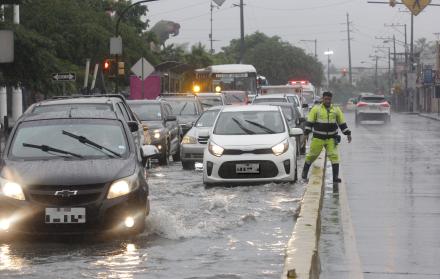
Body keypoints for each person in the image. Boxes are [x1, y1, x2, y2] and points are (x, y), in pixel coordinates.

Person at [301, 91, 352, 183]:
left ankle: (335, 178)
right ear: (322, 99)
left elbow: (342, 123)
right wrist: (306, 134)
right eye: (326, 99)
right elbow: (309, 123)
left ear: (331, 99)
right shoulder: (316, 109)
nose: (327, 101)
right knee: (311, 156)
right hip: (318, 138)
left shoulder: (336, 110)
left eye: (329, 99)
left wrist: (348, 133)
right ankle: (304, 174)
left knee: (334, 157)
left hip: (331, 139)